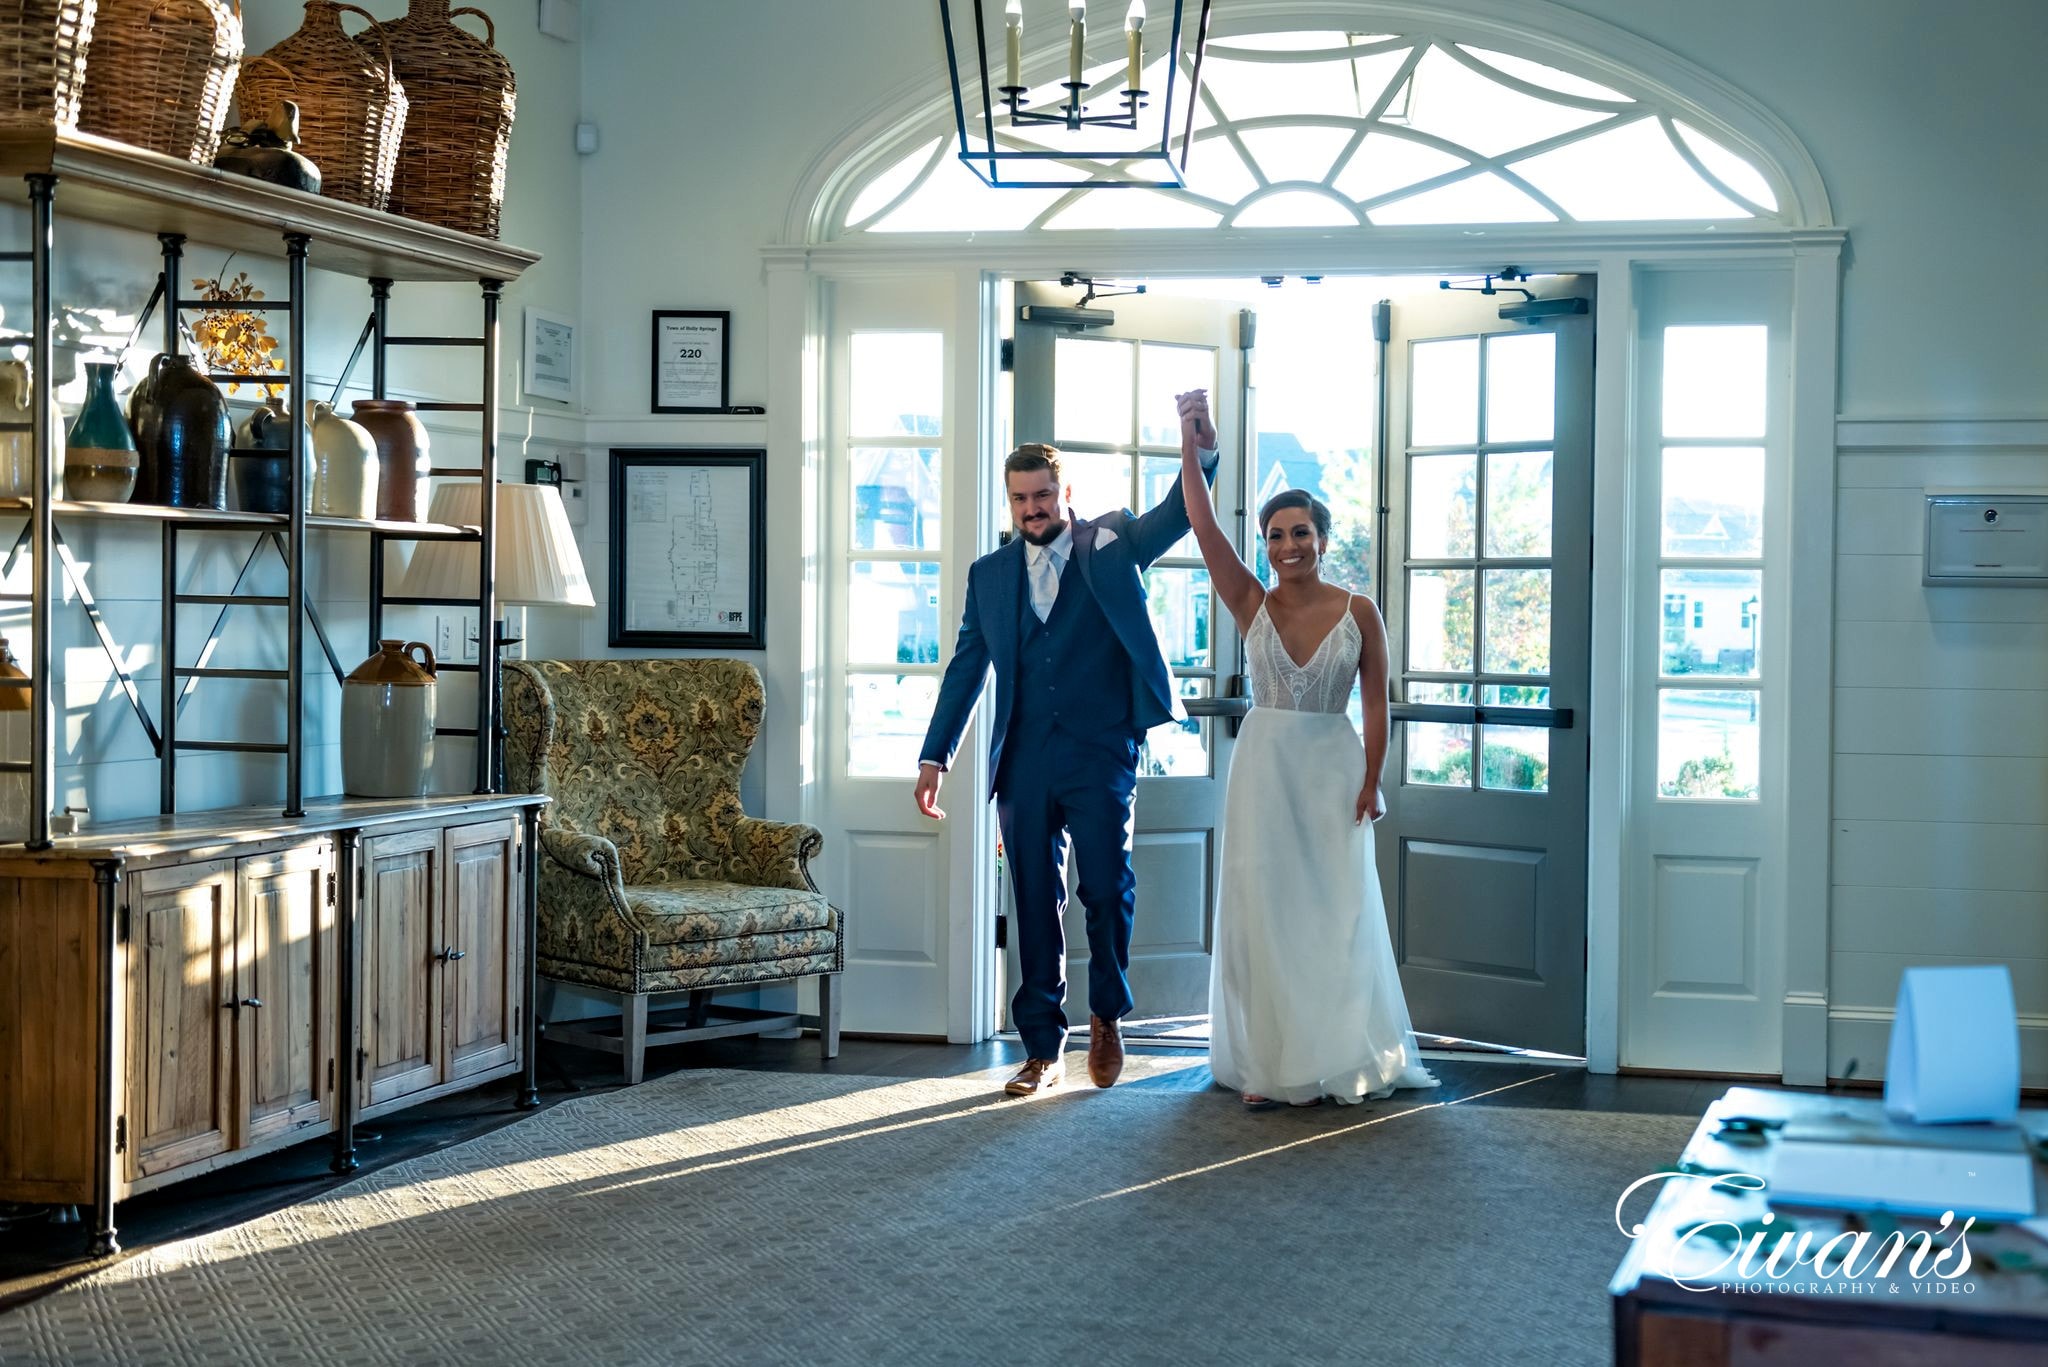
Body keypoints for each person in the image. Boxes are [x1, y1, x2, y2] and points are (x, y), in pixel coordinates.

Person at [916, 393, 1220, 1096]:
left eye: (1044, 494)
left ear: (1066, 493)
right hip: (1022, 757)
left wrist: (1196, 448)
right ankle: (1042, 1048)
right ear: (1010, 499)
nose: (1033, 508)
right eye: (1021, 497)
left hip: (1100, 748)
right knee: (1031, 896)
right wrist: (936, 756)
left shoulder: (1110, 542)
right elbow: (967, 667)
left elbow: (1178, 512)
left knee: (1106, 888)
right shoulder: (988, 576)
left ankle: (1107, 1013)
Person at [1177, 425, 1440, 1108]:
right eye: (1275, 534)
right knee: (1263, 912)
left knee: (1333, 913)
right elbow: (1202, 526)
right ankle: (1267, 1062)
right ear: (1263, 544)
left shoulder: (1360, 611)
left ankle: (1336, 1051)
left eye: (1301, 532)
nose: (1288, 545)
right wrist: (1189, 439)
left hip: (1333, 768)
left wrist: (1372, 778)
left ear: (1322, 539)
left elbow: (1376, 704)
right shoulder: (1250, 603)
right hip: (1263, 772)